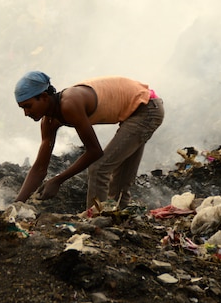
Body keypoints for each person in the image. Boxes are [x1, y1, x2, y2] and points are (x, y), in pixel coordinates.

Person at [13, 71, 164, 210]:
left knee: (99, 169)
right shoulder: (49, 122)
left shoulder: (69, 103)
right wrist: (16, 205)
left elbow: (94, 152)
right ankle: (116, 219)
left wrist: (58, 180)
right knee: (120, 177)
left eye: (28, 106)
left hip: (147, 109)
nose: (26, 113)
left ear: (44, 97)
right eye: (22, 108)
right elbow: (40, 168)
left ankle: (94, 221)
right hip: (138, 110)